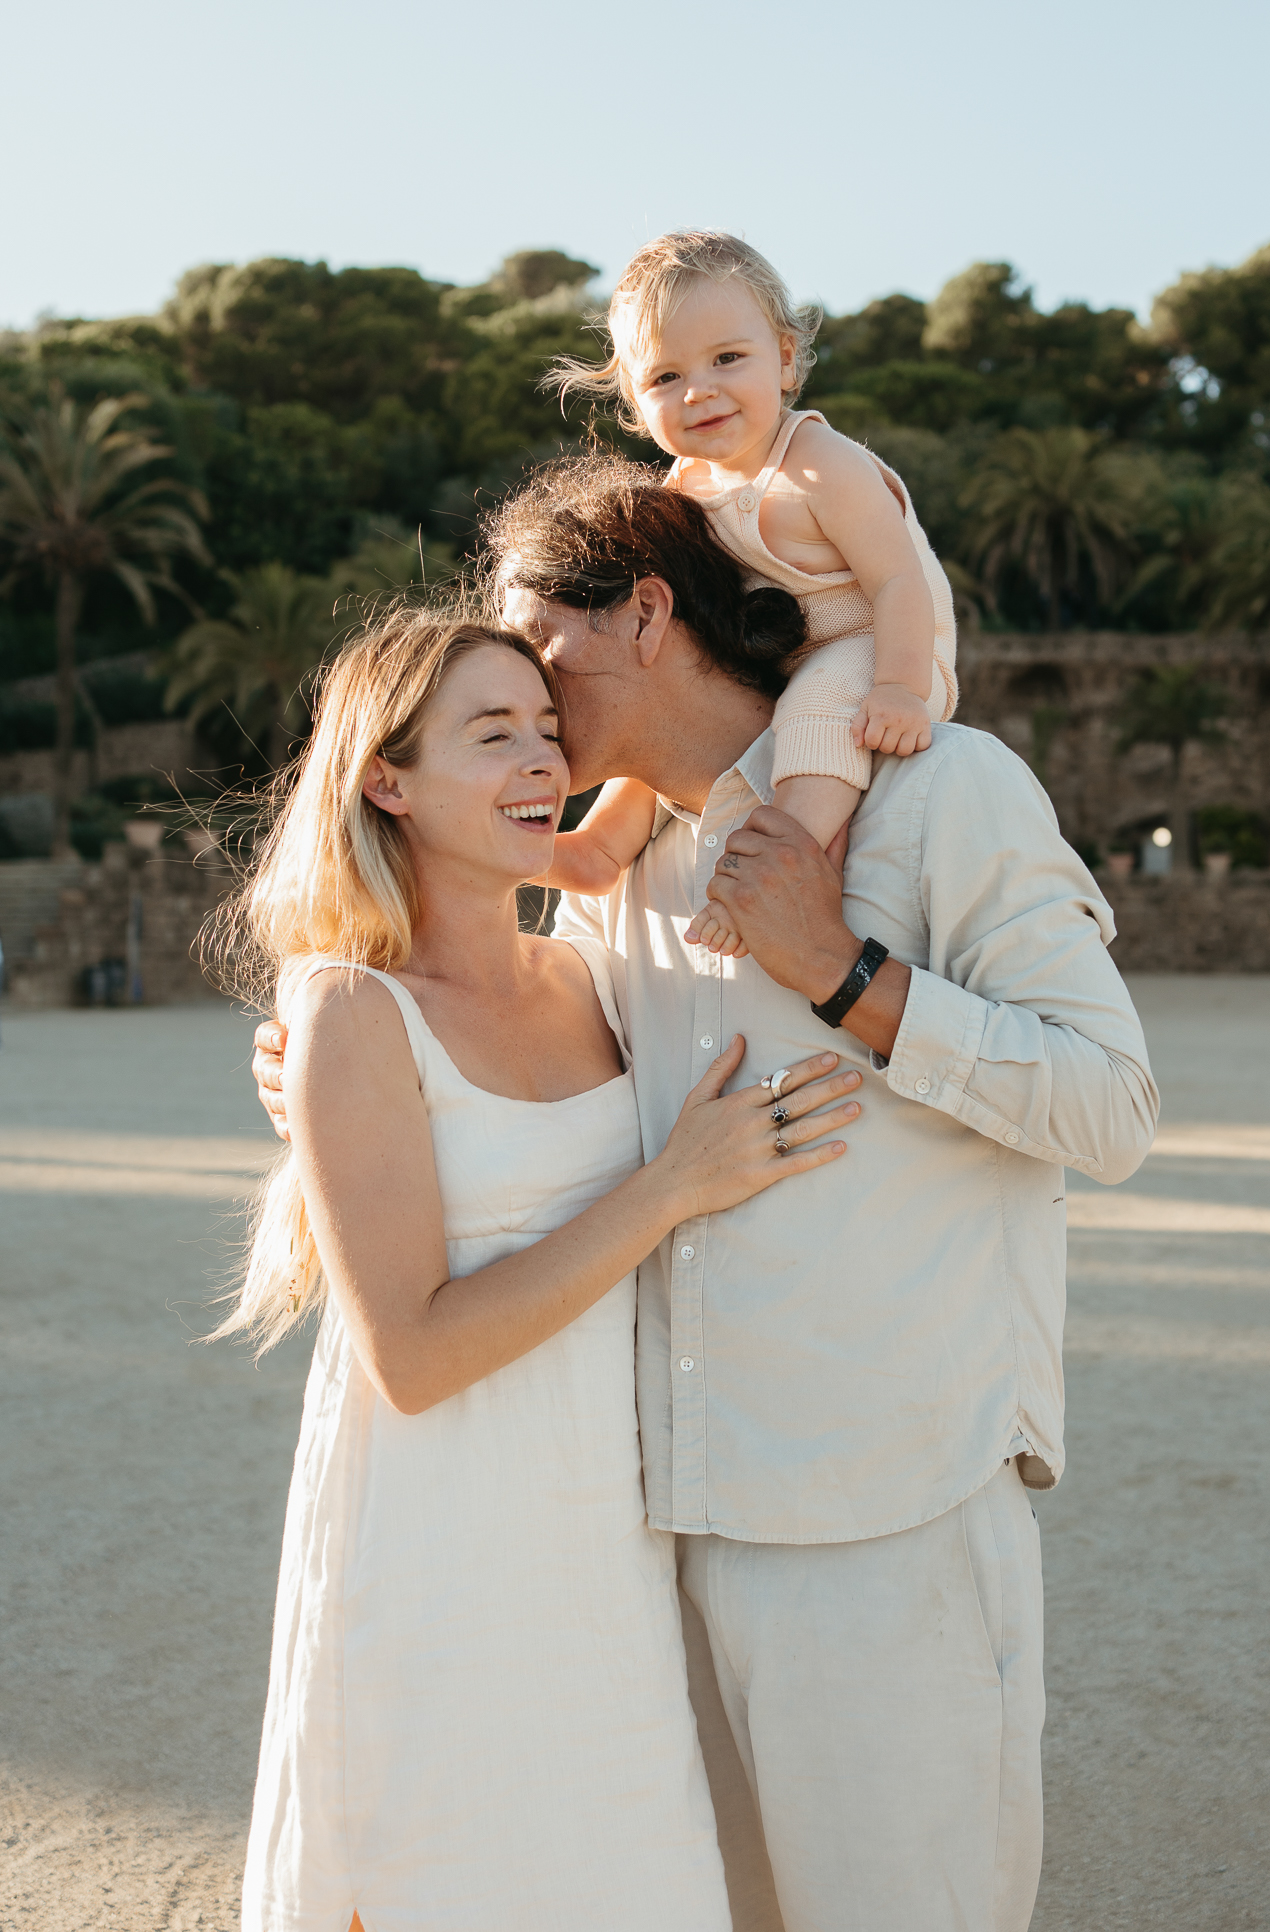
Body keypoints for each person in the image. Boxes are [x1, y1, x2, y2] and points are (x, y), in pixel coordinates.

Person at [255, 459, 1158, 1932]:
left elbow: (1113, 1107)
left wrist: (846, 976)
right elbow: (492, 1087)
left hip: (885, 1522)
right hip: (645, 1543)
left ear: (646, 616)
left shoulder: (945, 793)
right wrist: (324, 1058)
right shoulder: (610, 880)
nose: (538, 715)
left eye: (541, 655)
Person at [222, 608, 860, 1932]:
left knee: (629, 1870)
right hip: (441, 1534)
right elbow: (415, 1355)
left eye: (549, 733)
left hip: (601, 1528)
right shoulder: (350, 1008)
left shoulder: (592, 974)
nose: (536, 762)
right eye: (490, 733)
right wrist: (673, 1185)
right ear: (385, 778)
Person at [540, 230, 958, 956]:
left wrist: (898, 686)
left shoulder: (820, 464)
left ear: (787, 359)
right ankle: (599, 848)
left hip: (877, 648)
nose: (698, 390)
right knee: (663, 724)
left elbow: (899, 579)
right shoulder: (684, 492)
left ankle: (775, 867)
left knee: (817, 711)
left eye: (727, 359)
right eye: (665, 378)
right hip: (780, 655)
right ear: (637, 406)